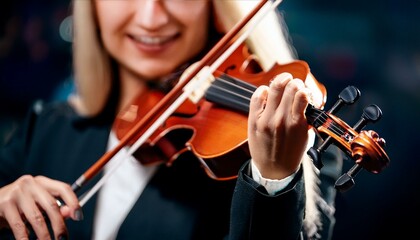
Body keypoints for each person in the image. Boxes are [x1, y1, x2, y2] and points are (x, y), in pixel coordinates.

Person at [0, 0, 343, 239]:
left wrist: (273, 180)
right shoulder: (47, 127)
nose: (151, 17)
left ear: (217, 7)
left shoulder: (302, 150)